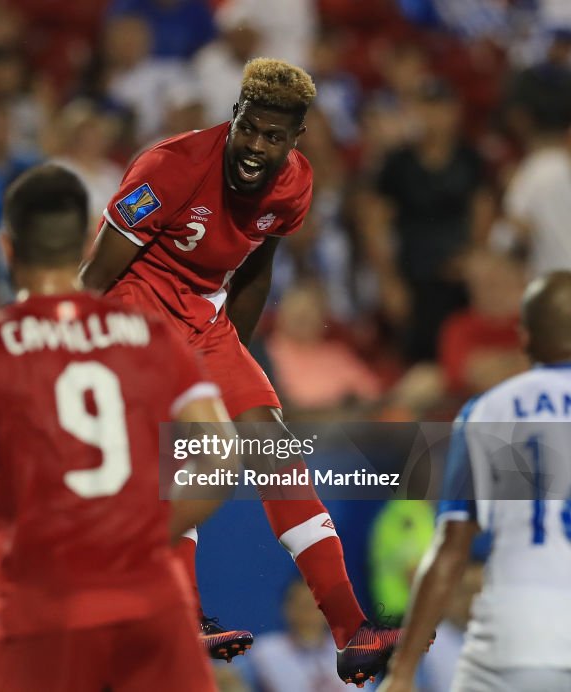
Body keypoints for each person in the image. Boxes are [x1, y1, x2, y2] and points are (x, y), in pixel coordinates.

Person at [79, 57, 410, 684]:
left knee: (274, 449)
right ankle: (183, 614)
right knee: (186, 450)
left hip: (208, 325)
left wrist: (235, 361)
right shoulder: (169, 167)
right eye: (249, 129)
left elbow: (257, 270)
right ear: (234, 117)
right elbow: (96, 276)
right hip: (134, 318)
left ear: (296, 139)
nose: (257, 147)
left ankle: (350, 630)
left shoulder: (295, 187)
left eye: (274, 137)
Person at [0, 164, 238, 692]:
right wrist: (141, 537)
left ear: (7, 248)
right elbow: (222, 458)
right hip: (151, 606)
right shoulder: (150, 336)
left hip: (43, 617)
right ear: (86, 242)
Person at [380, 271, 571, 691]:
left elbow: (451, 548)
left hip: (519, 631)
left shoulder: (490, 408)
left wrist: (403, 670)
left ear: (524, 337)